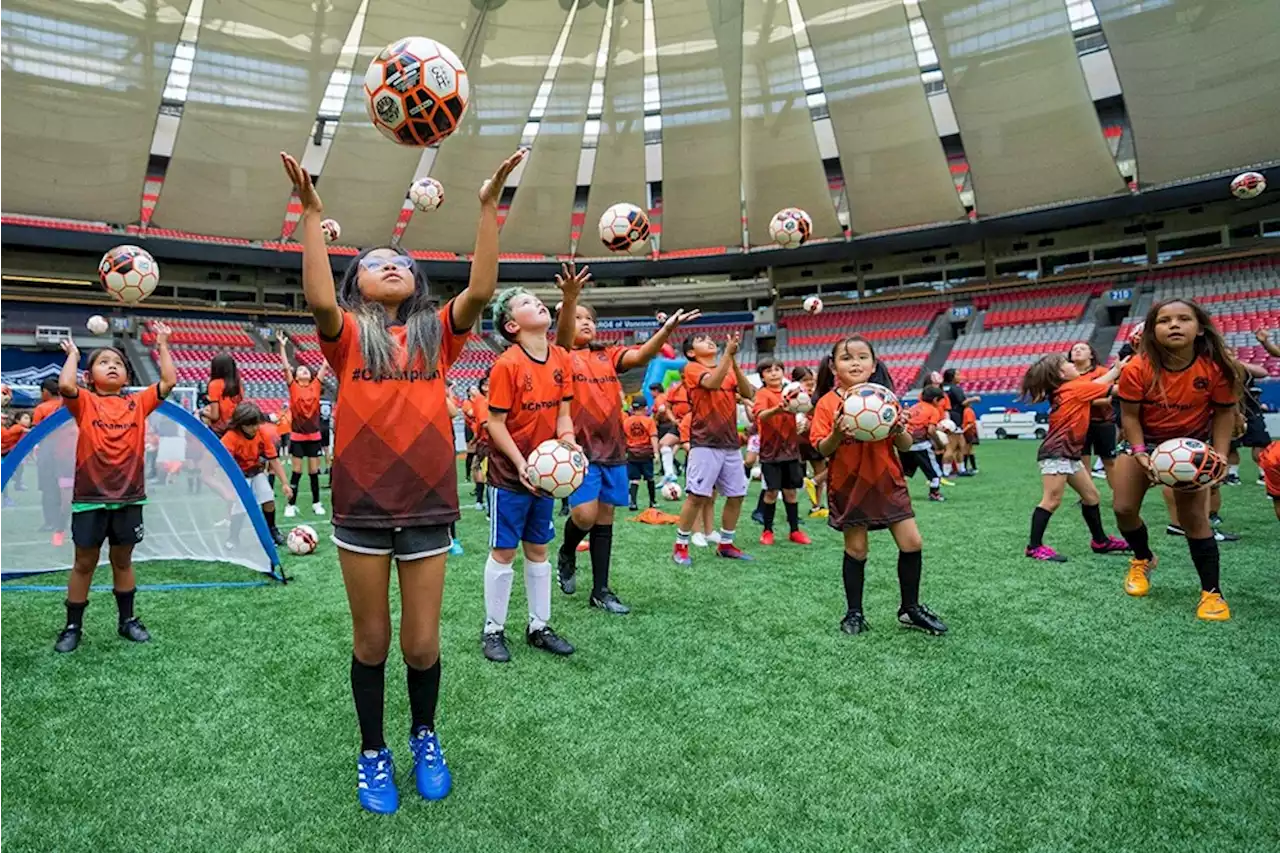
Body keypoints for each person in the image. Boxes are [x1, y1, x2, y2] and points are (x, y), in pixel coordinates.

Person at [280, 146, 524, 813]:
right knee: (372, 640)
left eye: (403, 263)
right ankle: (372, 750)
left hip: (425, 505)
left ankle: (423, 735)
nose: (392, 264)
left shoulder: (435, 333)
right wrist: (311, 214)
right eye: (375, 263)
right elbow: (316, 297)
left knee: (420, 642)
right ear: (357, 285)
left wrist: (485, 208)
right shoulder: (346, 334)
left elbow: (479, 290)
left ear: (416, 285)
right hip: (360, 503)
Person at [553, 267, 698, 610]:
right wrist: (570, 299)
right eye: (578, 318)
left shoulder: (608, 354)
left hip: (614, 449)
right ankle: (567, 549)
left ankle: (600, 591)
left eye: (590, 319)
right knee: (585, 517)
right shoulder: (559, 354)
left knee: (605, 519)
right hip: (579, 449)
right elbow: (562, 337)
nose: (586, 323)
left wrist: (665, 331)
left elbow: (641, 356)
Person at [808, 336, 946, 636]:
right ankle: (854, 613)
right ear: (833, 366)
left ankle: (910, 608)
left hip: (887, 480)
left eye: (862, 357)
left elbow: (906, 444)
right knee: (856, 550)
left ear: (874, 365)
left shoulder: (886, 398)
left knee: (913, 543)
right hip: (849, 484)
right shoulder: (828, 403)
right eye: (846, 358)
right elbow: (822, 449)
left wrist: (899, 429)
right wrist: (835, 432)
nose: (855, 363)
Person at [1112, 298, 1240, 621]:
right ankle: (1143, 558)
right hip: (1146, 445)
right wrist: (1140, 452)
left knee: (1194, 520)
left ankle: (1211, 593)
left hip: (1191, 450)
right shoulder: (1137, 368)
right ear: (1153, 331)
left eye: (1184, 319)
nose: (1174, 325)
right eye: (1164, 320)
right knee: (1123, 509)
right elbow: (1129, 417)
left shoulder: (1214, 368)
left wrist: (1221, 454)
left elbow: (1225, 413)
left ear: (1199, 329)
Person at [53, 323, 177, 653]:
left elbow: (168, 381)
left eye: (119, 363)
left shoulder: (138, 404)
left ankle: (128, 622)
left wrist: (162, 344)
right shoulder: (84, 402)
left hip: (129, 497)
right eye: (104, 361)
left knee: (123, 561)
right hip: (89, 499)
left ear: (127, 375)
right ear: (90, 376)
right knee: (84, 563)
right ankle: (72, 626)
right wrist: (75, 356)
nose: (112, 365)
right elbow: (65, 383)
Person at [483, 286, 578, 660]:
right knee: (504, 551)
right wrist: (522, 464)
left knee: (538, 549)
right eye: (525, 302)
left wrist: (568, 443)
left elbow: (564, 415)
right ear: (511, 324)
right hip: (510, 474)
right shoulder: (507, 364)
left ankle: (539, 625)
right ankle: (493, 630)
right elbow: (495, 423)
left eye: (537, 299)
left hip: (545, 476)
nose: (536, 303)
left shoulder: (561, 359)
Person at [1018, 354, 1130, 562]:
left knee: (1091, 497)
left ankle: (1100, 541)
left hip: (1068, 453)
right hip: (1057, 453)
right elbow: (1116, 390)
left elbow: (1095, 383)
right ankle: (1033, 547)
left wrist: (1116, 371)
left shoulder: (1069, 388)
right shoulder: (1075, 388)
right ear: (1062, 373)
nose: (1072, 363)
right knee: (1051, 500)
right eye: (1067, 363)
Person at [671, 331, 756, 566]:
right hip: (704, 442)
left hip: (730, 443)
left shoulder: (726, 367)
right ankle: (680, 546)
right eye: (701, 340)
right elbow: (712, 382)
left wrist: (733, 361)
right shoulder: (692, 369)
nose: (709, 340)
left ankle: (726, 545)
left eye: (710, 338)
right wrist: (727, 357)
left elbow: (748, 392)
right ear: (690, 352)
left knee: (737, 494)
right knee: (697, 495)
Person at [751, 357, 810, 546]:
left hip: (791, 450)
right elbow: (761, 415)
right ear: (762, 377)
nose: (774, 373)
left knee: (791, 492)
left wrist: (804, 420)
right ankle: (767, 531)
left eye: (777, 369)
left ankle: (795, 531)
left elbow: (806, 409)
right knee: (771, 492)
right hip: (771, 451)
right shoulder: (763, 394)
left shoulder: (793, 392)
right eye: (769, 371)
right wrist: (778, 409)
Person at [221, 402, 292, 547]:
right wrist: (230, 485)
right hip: (239, 476)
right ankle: (233, 537)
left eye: (256, 424)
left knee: (268, 499)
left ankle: (272, 531)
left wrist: (285, 483)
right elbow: (224, 463)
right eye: (250, 425)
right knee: (240, 506)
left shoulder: (261, 433)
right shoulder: (230, 437)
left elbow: (274, 459)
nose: (254, 428)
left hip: (256, 471)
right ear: (240, 424)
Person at [276, 331, 328, 518]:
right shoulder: (293, 387)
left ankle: (316, 503)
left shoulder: (316, 384)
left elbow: (325, 364)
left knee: (314, 472)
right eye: (300, 370)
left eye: (306, 370)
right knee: (297, 472)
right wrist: (282, 346)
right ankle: (290, 504)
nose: (303, 371)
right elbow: (285, 368)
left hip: (314, 436)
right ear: (296, 377)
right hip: (297, 437)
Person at [1068, 342, 1118, 488]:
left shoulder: (1103, 372)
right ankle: (1088, 497)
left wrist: (1079, 400)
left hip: (1103, 422)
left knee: (1109, 460)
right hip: (1079, 424)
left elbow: (1106, 399)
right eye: (1074, 349)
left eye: (1082, 348)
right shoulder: (1068, 375)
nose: (1077, 351)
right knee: (1083, 462)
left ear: (1091, 355)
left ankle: (1118, 495)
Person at [33, 376, 72, 545]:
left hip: (48, 451)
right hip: (69, 452)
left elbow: (37, 432)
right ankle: (63, 522)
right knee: (66, 488)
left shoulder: (42, 408)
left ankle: (51, 522)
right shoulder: (68, 406)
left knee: (48, 488)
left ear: (46, 392)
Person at [900, 387, 946, 502]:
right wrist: (939, 444)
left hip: (905, 445)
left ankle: (898, 494)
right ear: (936, 400)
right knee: (934, 471)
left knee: (903, 472)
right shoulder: (933, 410)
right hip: (921, 446)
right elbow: (931, 430)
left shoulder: (914, 407)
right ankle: (934, 493)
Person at [793, 366, 827, 516]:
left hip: (804, 436)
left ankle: (816, 507)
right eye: (805, 380)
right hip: (810, 436)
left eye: (811, 380)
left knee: (820, 469)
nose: (809, 383)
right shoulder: (802, 395)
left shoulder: (796, 393)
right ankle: (813, 485)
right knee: (824, 469)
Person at [941, 368, 979, 477]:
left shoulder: (944, 388)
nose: (960, 376)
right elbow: (963, 402)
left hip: (950, 418)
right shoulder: (956, 389)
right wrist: (974, 399)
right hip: (955, 419)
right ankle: (946, 471)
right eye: (957, 374)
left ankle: (961, 469)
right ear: (952, 377)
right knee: (952, 447)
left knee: (960, 445)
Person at [624, 399, 659, 511]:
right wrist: (656, 452)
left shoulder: (626, 421)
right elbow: (653, 436)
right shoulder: (649, 421)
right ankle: (652, 502)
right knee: (650, 478)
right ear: (645, 408)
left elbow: (623, 438)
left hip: (632, 453)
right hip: (646, 454)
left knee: (634, 479)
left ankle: (633, 503)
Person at [466, 377, 490, 512]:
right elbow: (482, 422)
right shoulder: (477, 402)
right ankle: (481, 501)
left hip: (485, 440)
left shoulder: (481, 401)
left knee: (481, 469)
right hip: (484, 440)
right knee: (479, 467)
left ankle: (481, 501)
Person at [203, 353, 242, 436]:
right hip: (236, 428)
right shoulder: (238, 384)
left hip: (220, 430)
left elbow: (215, 416)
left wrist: (201, 412)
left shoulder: (214, 384)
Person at [0, 411, 32, 506]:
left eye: (5, 418)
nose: (4, 420)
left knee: (5, 475)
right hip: (4, 453)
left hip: (5, 453)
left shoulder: (4, 428)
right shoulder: (16, 428)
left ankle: (7, 497)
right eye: (2, 418)